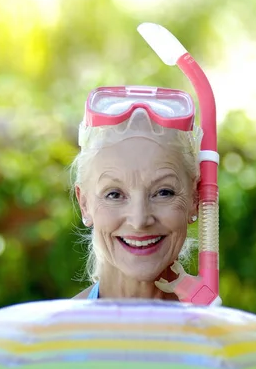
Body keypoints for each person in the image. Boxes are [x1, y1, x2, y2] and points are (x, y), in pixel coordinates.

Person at [71, 85, 202, 302]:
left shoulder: (214, 332)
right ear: (84, 203)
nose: (140, 220)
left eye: (163, 192)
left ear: (195, 198)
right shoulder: (61, 332)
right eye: (114, 194)